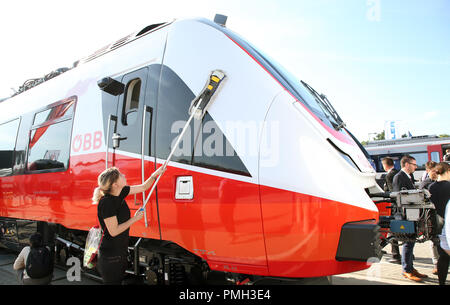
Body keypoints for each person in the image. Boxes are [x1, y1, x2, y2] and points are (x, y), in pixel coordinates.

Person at [92, 165, 166, 285]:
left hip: (120, 251)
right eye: (120, 175)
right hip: (110, 255)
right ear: (114, 184)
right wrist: (135, 219)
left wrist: (155, 174)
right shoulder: (107, 203)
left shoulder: (121, 192)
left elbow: (143, 187)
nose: (124, 175)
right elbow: (114, 231)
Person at [392, 155, 428, 282]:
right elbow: (399, 198)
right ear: (407, 164)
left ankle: (410, 268)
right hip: (405, 216)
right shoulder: (399, 177)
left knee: (411, 242)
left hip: (411, 215)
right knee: (408, 242)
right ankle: (406, 270)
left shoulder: (408, 176)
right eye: (414, 164)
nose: (416, 167)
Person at [428, 162, 450, 285]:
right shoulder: (449, 186)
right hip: (447, 224)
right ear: (447, 171)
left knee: (442, 256)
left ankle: (441, 282)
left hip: (436, 225)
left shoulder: (431, 187)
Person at [381, 157, 401, 263]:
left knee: (392, 231)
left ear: (385, 165)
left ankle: (395, 255)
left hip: (393, 207)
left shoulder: (389, 175)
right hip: (400, 206)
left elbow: (391, 192)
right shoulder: (399, 173)